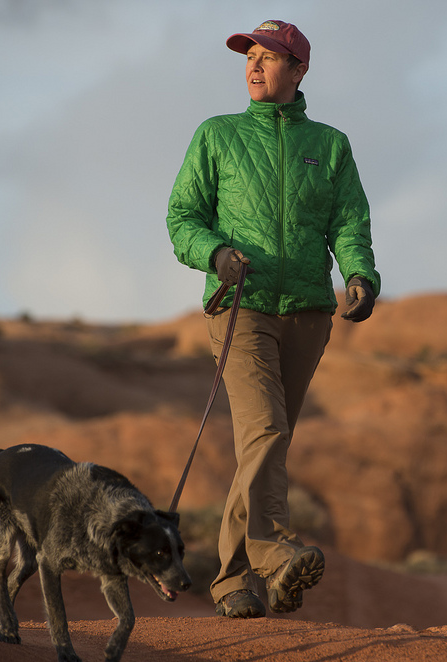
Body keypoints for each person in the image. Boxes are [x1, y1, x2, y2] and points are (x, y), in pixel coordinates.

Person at [166, 20, 379, 619]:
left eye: (268, 57)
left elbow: (349, 223)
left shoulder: (330, 146)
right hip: (241, 306)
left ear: (299, 70)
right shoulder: (218, 135)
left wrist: (360, 276)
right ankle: (276, 554)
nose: (254, 66)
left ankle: (234, 582)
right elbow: (182, 217)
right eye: (249, 56)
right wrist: (215, 254)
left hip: (308, 313)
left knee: (267, 443)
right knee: (265, 432)